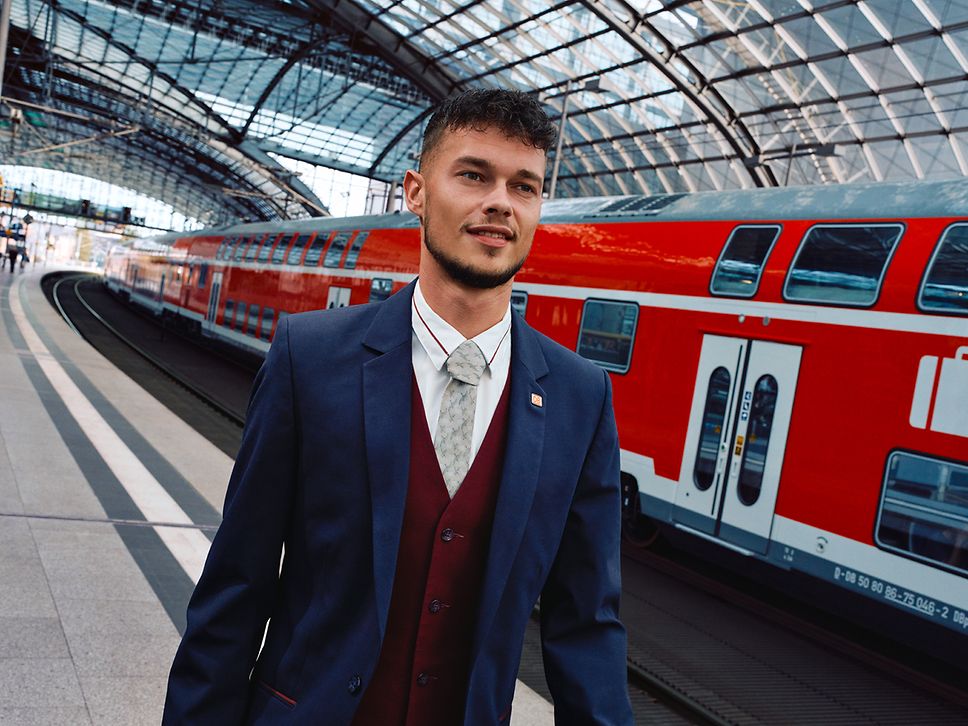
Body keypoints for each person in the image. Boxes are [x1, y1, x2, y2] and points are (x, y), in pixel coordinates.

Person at [163, 89, 633, 725]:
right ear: (414, 191)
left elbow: (587, 625)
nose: (499, 201)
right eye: (473, 175)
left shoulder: (581, 396)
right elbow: (237, 583)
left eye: (524, 186)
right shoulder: (311, 358)